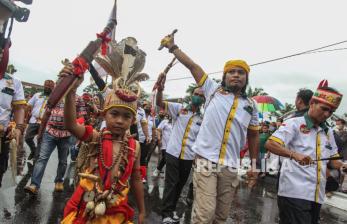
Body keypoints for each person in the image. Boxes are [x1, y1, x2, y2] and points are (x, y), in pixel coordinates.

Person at [159, 33, 260, 224]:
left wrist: (255, 166)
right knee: (205, 214)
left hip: (230, 165)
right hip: (206, 160)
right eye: (232, 72)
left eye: (241, 72)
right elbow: (193, 66)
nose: (236, 75)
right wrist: (173, 48)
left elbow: (253, 136)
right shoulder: (212, 90)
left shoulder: (251, 105)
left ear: (246, 78)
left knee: (220, 217)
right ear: (224, 76)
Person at [59, 61, 145, 224]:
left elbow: (136, 179)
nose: (120, 120)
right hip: (87, 205)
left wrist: (142, 211)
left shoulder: (135, 147)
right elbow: (70, 125)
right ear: (104, 115)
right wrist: (71, 92)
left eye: (126, 117)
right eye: (114, 114)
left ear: (133, 120)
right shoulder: (95, 137)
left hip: (115, 209)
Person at [265, 80, 347, 224]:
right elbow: (270, 143)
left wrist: (342, 166)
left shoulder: (328, 133)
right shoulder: (294, 124)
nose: (327, 114)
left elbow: (333, 161)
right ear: (312, 103)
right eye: (324, 108)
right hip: (293, 193)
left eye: (331, 112)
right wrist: (294, 154)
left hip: (316, 196)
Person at [24, 80, 86, 194]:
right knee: (42, 159)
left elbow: (82, 118)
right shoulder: (54, 97)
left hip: (66, 136)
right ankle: (34, 184)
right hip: (50, 133)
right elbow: (46, 115)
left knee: (63, 161)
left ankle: (59, 181)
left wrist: (75, 124)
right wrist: (41, 133)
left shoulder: (79, 99)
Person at [156, 77, 204, 224]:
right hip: (173, 153)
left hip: (188, 157)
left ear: (204, 99)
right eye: (196, 94)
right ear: (191, 95)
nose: (198, 97)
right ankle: (166, 214)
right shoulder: (179, 108)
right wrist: (160, 89)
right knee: (171, 182)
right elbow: (159, 103)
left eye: (201, 96)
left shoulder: (203, 117)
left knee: (180, 184)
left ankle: (171, 210)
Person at [0, 71, 26, 187]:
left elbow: (19, 108)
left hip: (2, 135)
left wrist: (19, 128)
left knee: (0, 168)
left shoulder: (14, 81)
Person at [25, 80, 55, 161]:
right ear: (44, 86)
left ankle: (36, 158)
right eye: (46, 85)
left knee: (40, 141)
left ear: (53, 87)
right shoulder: (37, 95)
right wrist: (25, 118)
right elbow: (29, 106)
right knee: (27, 138)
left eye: (50, 86)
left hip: (46, 123)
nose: (48, 87)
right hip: (34, 120)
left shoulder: (55, 98)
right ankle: (34, 150)